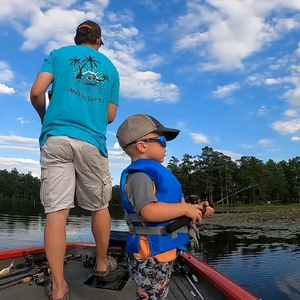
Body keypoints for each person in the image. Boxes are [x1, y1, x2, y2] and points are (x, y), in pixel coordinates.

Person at [30, 20, 121, 300]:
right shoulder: (111, 69)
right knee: (99, 206)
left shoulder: (58, 55)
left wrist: (47, 117)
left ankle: (59, 288)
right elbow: (110, 116)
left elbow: (36, 92)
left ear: (77, 38)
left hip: (56, 138)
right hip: (92, 141)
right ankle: (103, 265)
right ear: (99, 41)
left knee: (57, 212)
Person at [116, 114, 215, 300]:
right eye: (162, 141)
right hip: (149, 256)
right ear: (142, 146)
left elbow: (171, 208)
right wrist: (186, 210)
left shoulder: (151, 175)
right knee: (151, 296)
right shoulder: (139, 177)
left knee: (160, 293)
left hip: (161, 253)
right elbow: (149, 211)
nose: (165, 146)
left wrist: (196, 209)